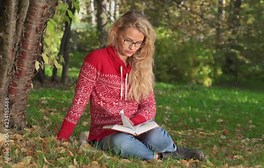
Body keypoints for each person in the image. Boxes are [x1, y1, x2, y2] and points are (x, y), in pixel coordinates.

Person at [57, 11, 205, 161]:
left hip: (137, 128)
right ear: (116, 32)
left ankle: (172, 150)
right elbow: (79, 102)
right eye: (128, 40)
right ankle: (160, 156)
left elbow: (150, 106)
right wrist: (62, 139)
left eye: (138, 43)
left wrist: (134, 122)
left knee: (158, 136)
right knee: (121, 143)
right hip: (106, 133)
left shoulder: (141, 65)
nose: (132, 47)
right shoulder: (96, 59)